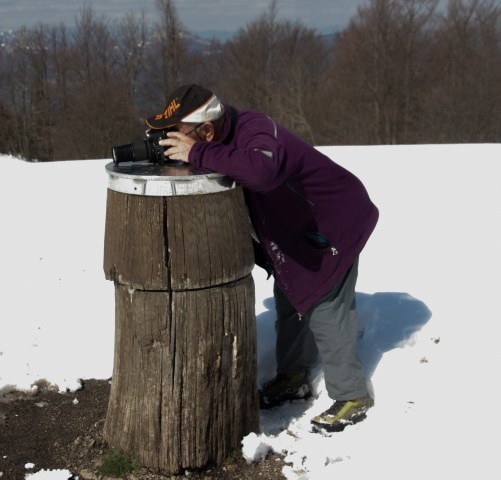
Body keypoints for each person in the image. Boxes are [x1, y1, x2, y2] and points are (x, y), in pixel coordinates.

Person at [147, 84, 379, 432]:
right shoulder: (216, 142)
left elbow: (261, 172)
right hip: (297, 229)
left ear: (206, 131)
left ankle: (352, 395)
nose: (173, 142)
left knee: (324, 305)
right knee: (291, 299)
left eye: (175, 135)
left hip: (335, 220)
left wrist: (196, 154)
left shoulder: (255, 129)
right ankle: (295, 375)